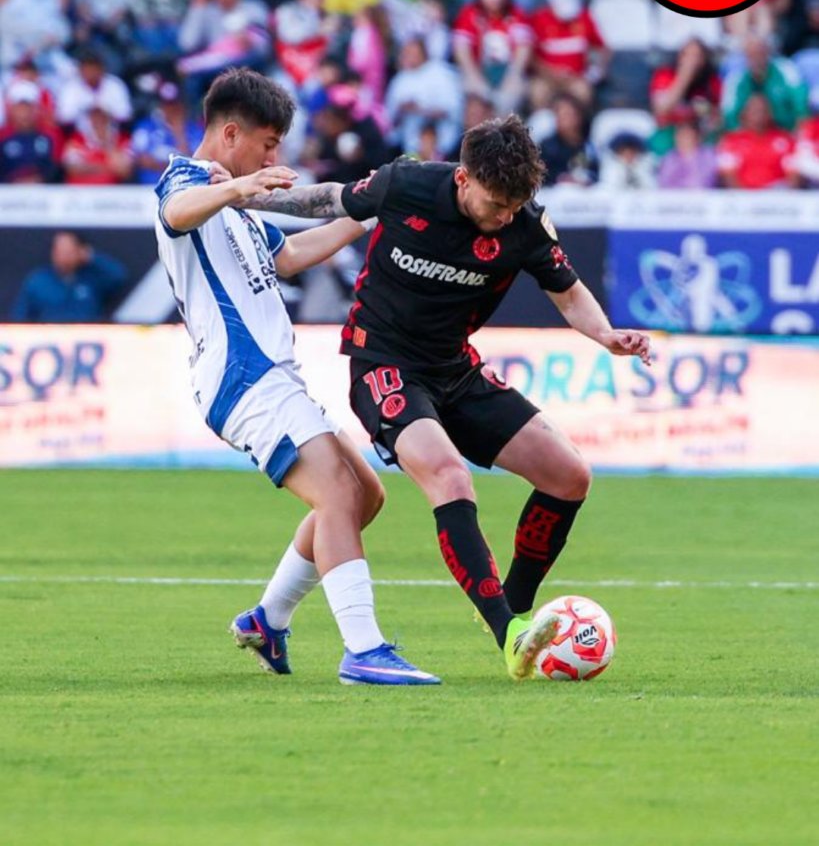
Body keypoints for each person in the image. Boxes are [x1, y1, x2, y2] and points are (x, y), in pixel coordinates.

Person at [232, 114, 652, 681]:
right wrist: (244, 194)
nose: (504, 217)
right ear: (462, 178)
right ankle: (509, 635)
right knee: (450, 477)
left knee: (569, 475)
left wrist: (606, 335)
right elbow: (329, 199)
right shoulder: (407, 184)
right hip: (383, 364)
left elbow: (570, 294)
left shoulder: (525, 224)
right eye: (496, 204)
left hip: (455, 369)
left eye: (514, 206)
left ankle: (511, 606)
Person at [155, 67, 438, 686]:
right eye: (267, 144)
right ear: (231, 133)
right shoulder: (187, 180)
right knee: (336, 493)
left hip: (275, 376)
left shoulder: (242, 210)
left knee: (364, 496)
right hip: (243, 376)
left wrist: (372, 212)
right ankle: (363, 650)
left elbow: (293, 254)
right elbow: (175, 213)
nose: (273, 159)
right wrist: (240, 186)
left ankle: (268, 619)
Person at [12, 231, 127, 322]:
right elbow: (20, 317)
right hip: (49, 338)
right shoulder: (38, 281)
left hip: (86, 338)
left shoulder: (92, 279)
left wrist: (92, 257)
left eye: (69, 251)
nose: (64, 257)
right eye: (60, 251)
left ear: (79, 252)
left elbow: (119, 276)